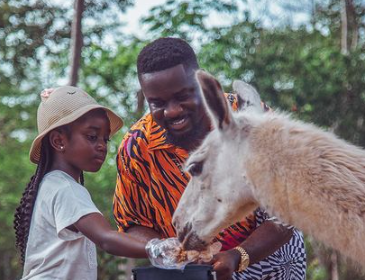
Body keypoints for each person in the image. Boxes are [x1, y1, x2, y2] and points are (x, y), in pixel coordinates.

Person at [113, 37, 306, 280]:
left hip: (268, 260)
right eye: (158, 103)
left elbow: (286, 211)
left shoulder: (251, 121)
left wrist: (238, 256)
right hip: (189, 271)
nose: (172, 111)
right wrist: (162, 249)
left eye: (182, 96)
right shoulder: (137, 148)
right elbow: (132, 221)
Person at [14, 86, 147, 280]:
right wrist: (163, 249)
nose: (102, 146)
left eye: (105, 139)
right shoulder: (65, 188)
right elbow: (106, 238)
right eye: (92, 137)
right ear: (59, 141)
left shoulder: (50, 185)